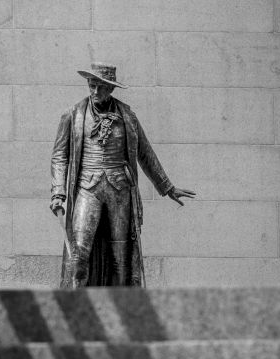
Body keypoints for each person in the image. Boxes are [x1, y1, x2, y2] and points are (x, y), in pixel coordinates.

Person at [50, 62, 195, 289]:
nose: (95, 91)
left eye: (100, 86)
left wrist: (168, 187)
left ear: (111, 88)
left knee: (121, 258)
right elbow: (60, 156)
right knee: (79, 254)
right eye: (92, 85)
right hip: (87, 189)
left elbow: (145, 153)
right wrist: (58, 192)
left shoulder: (127, 116)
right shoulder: (73, 115)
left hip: (120, 190)